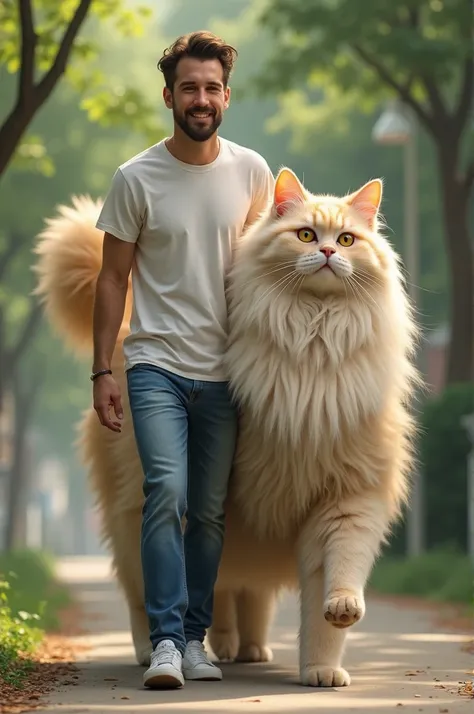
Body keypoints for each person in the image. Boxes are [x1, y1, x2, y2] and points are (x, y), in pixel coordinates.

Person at [90, 30, 275, 689]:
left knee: (212, 509)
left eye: (211, 88)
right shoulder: (135, 178)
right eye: (189, 88)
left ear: (227, 96)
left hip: (227, 374)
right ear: (169, 95)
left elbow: (263, 272)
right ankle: (168, 642)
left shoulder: (253, 172)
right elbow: (112, 279)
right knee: (164, 493)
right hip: (155, 367)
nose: (201, 99)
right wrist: (102, 370)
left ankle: (196, 638)